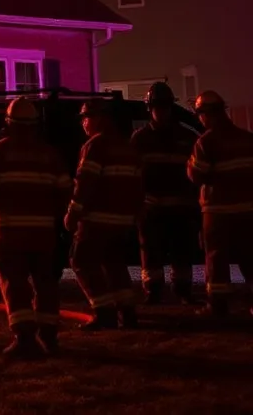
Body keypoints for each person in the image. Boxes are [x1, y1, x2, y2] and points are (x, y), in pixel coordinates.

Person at [0, 97, 73, 358]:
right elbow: (64, 192)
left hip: (7, 234)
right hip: (42, 233)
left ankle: (24, 338)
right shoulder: (50, 155)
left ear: (8, 123)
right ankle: (48, 337)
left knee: (14, 283)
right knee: (45, 283)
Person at [67, 98, 144, 330]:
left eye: (85, 118)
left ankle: (104, 312)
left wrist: (73, 213)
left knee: (80, 261)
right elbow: (139, 184)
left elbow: (85, 184)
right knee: (114, 264)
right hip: (121, 221)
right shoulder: (127, 146)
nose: (84, 123)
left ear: (99, 118)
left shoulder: (94, 146)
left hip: (96, 220)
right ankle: (127, 313)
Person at [131, 82, 200, 304]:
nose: (161, 111)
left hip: (181, 207)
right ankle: (153, 291)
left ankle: (183, 291)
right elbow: (132, 174)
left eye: (164, 107)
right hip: (151, 208)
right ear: (149, 109)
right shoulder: (139, 139)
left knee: (182, 251)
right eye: (157, 107)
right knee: (150, 253)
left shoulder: (187, 138)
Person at [186, 90, 253, 317]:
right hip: (248, 211)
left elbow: (197, 175)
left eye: (200, 115)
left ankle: (217, 305)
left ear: (207, 115)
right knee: (250, 257)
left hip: (218, 213)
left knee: (216, 258)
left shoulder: (206, 142)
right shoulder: (247, 139)